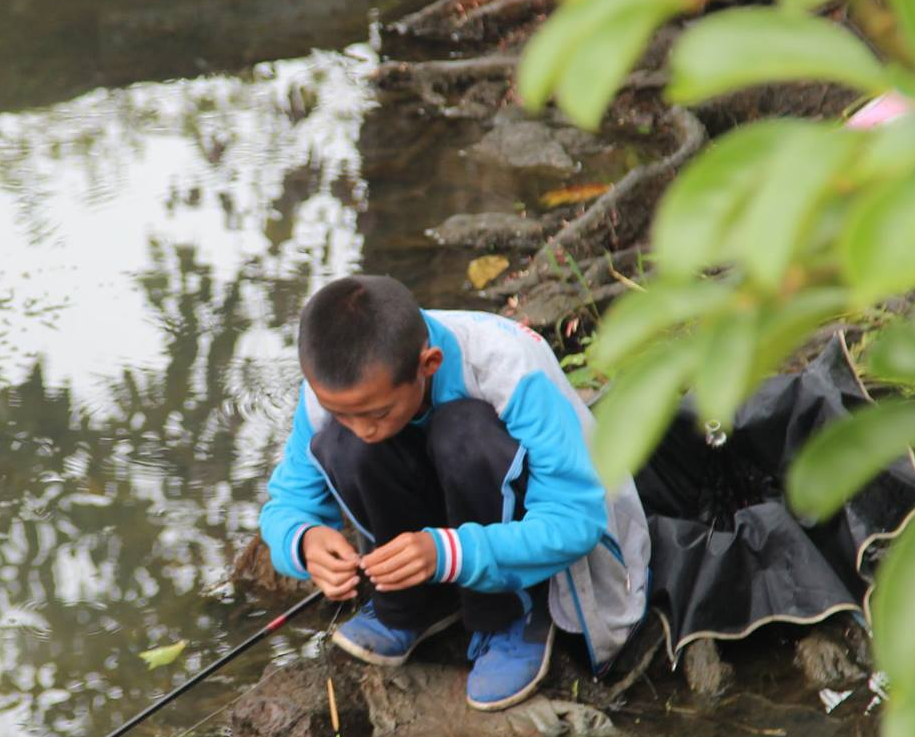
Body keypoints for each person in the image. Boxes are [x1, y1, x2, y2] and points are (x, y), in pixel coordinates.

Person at [257, 275, 650, 709]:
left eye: (378, 413)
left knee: (461, 432)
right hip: (452, 534)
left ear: (429, 364)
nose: (362, 428)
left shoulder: (508, 366)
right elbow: (287, 504)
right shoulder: (338, 390)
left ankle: (511, 615)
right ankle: (415, 605)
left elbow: (577, 522)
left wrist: (446, 552)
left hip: (539, 545)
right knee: (341, 445)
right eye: (341, 412)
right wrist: (305, 541)